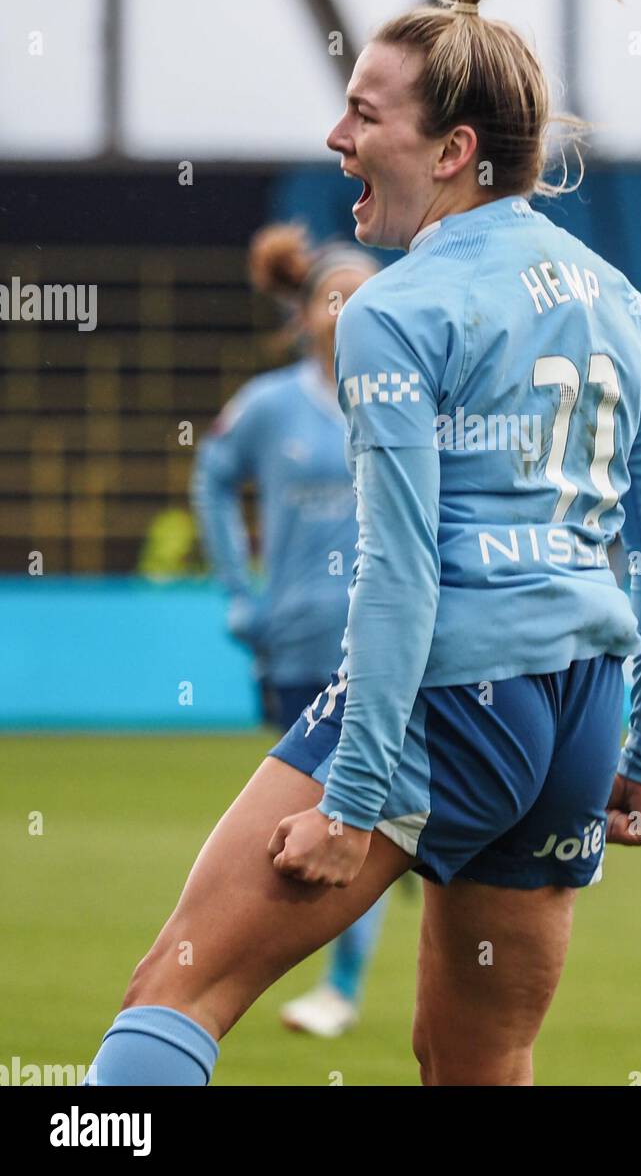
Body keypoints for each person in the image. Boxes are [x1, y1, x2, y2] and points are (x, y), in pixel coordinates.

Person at [84, 0, 641, 1088]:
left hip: (443, 701)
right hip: (576, 721)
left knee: (176, 990)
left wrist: (356, 791)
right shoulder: (623, 304)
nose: (336, 136)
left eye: (364, 114)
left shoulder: (395, 312)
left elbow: (402, 565)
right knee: (476, 1062)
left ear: (454, 149)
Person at [192, 226, 387, 1037]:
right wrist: (240, 591)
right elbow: (210, 476)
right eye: (335, 296)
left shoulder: (413, 396)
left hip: (391, 644)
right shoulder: (271, 408)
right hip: (303, 641)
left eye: (366, 294)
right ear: (305, 315)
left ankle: (340, 991)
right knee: (348, 817)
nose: (350, 310)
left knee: (351, 809)